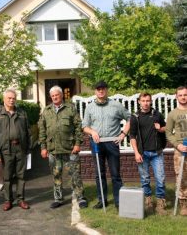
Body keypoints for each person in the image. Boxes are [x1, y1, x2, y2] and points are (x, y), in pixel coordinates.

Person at [82, 80, 130, 209]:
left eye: (103, 88)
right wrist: (92, 132)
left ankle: (118, 202)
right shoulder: (90, 107)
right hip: (97, 143)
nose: (101, 91)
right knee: (99, 174)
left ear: (106, 90)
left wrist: (123, 134)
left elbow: (130, 118)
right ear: (95, 91)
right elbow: (84, 126)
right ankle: (102, 200)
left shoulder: (116, 105)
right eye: (98, 89)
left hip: (112, 143)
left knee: (115, 174)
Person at [38, 85, 88, 209]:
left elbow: (78, 127)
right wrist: (43, 147)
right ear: (51, 97)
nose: (55, 97)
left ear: (61, 95)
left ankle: (81, 197)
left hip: (70, 148)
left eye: (57, 95)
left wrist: (77, 144)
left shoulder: (70, 109)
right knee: (56, 175)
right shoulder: (46, 111)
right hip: (53, 150)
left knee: (75, 174)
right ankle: (58, 198)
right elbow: (42, 130)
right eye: (53, 95)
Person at [0, 88, 31, 211]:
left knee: (21, 176)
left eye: (13, 98)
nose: (12, 100)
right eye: (9, 98)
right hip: (6, 150)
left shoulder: (22, 113)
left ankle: (21, 199)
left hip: (20, 148)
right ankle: (8, 200)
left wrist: (28, 149)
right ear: (4, 99)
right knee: (7, 177)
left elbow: (28, 131)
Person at [130, 93, 167, 215]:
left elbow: (165, 128)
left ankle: (161, 202)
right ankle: (148, 201)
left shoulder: (157, 114)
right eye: (143, 100)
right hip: (142, 153)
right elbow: (132, 136)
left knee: (160, 178)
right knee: (145, 179)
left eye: (148, 101)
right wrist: (136, 153)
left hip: (157, 152)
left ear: (151, 102)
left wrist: (160, 128)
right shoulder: (135, 117)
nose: (146, 103)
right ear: (139, 102)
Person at [166, 86, 187, 216]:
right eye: (180, 95)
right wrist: (178, 145)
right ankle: (183, 204)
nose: (183, 97)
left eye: (185, 95)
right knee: (182, 177)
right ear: (176, 97)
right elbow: (168, 133)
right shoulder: (172, 114)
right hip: (180, 151)